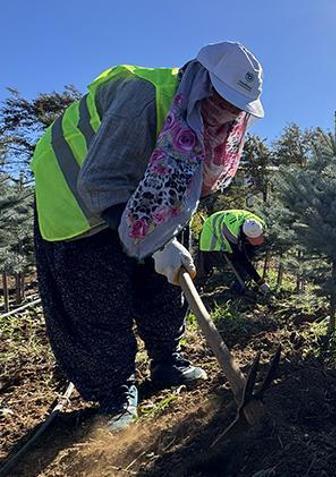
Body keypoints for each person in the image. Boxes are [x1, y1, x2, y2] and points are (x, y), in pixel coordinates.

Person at [31, 42, 265, 432]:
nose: (228, 116)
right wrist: (154, 242)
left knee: (164, 281)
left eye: (237, 108)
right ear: (202, 83)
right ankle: (114, 392)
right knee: (99, 296)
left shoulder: (210, 122)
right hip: (78, 193)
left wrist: (162, 241)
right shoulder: (144, 95)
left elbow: (183, 184)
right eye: (223, 101)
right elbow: (102, 182)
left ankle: (166, 360)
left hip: (140, 193)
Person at [197, 209, 271, 295]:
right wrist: (260, 282)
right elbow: (242, 258)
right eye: (255, 240)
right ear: (247, 238)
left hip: (231, 226)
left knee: (246, 257)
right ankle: (197, 285)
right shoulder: (232, 232)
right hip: (211, 230)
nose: (259, 242)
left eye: (260, 238)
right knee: (205, 262)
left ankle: (239, 285)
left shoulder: (260, 225)